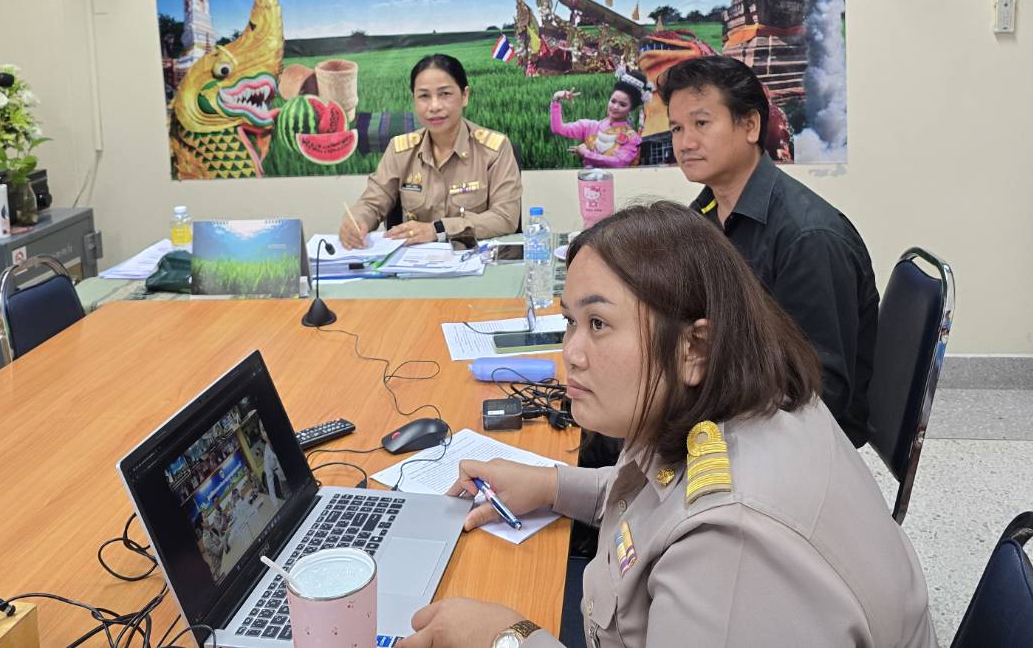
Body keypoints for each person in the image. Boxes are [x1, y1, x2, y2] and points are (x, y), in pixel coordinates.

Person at [400, 203, 934, 648]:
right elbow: (658, 493)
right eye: (570, 322)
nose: (571, 353)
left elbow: (692, 518)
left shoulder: (731, 549)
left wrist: (507, 637)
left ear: (694, 346)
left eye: (599, 324)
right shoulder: (731, 398)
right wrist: (551, 485)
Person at [659, 55, 879, 447]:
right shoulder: (704, 216)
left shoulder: (808, 238)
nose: (685, 142)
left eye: (701, 123)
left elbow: (822, 393)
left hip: (792, 439)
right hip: (733, 399)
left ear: (750, 125)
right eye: (677, 128)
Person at [340, 54, 521, 247]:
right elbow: (372, 203)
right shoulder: (400, 150)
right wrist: (357, 221)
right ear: (414, 100)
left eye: (445, 94)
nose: (434, 106)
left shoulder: (494, 149)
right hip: (414, 267)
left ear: (464, 95)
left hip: (477, 263)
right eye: (424, 96)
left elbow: (504, 217)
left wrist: (438, 229)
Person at [548, 80, 643, 168]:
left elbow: (619, 162)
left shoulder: (632, 137)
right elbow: (558, 129)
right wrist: (556, 99)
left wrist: (586, 154)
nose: (615, 107)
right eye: (613, 101)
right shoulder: (590, 126)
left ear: (630, 109)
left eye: (622, 105)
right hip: (588, 182)